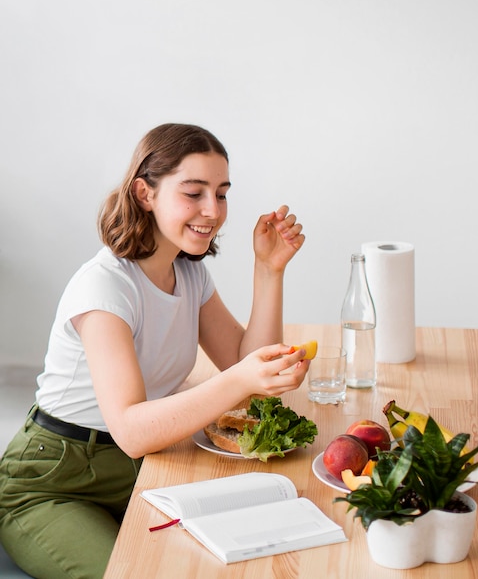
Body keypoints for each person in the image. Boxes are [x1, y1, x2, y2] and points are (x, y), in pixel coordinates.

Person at [0, 123, 310, 578]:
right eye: (194, 192)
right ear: (145, 193)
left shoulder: (189, 275)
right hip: (55, 481)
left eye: (221, 194)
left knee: (255, 550)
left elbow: (247, 367)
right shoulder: (105, 287)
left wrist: (268, 270)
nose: (213, 210)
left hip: (142, 470)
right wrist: (241, 379)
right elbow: (131, 429)